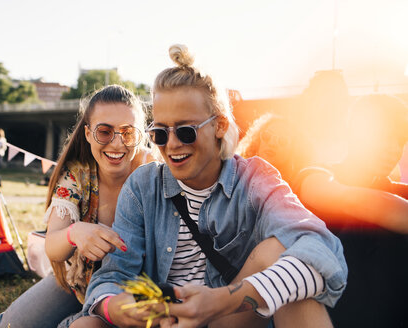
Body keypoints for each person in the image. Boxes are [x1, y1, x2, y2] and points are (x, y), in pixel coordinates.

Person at [77, 45, 347, 328]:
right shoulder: (142, 186)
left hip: (230, 319)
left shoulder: (255, 179)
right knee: (86, 325)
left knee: (279, 252)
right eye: (159, 133)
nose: (171, 145)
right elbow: (112, 276)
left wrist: (223, 300)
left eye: (185, 131)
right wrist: (115, 307)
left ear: (219, 125)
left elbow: (322, 252)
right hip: (162, 322)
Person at [240, 94, 408, 327]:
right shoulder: (316, 176)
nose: (392, 148)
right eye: (383, 136)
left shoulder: (400, 192)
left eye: (399, 140)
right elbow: (347, 199)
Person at [0, 84, 155, 328]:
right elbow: (53, 248)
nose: (116, 143)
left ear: (141, 135)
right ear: (88, 133)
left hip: (134, 286)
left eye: (128, 132)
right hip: (79, 281)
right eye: (104, 131)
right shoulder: (77, 174)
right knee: (11, 324)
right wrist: (75, 232)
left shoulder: (152, 170)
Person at [236, 113, 313, 184]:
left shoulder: (299, 184)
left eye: (282, 141)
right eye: (267, 136)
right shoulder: (237, 173)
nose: (272, 143)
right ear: (257, 141)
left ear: (293, 151)